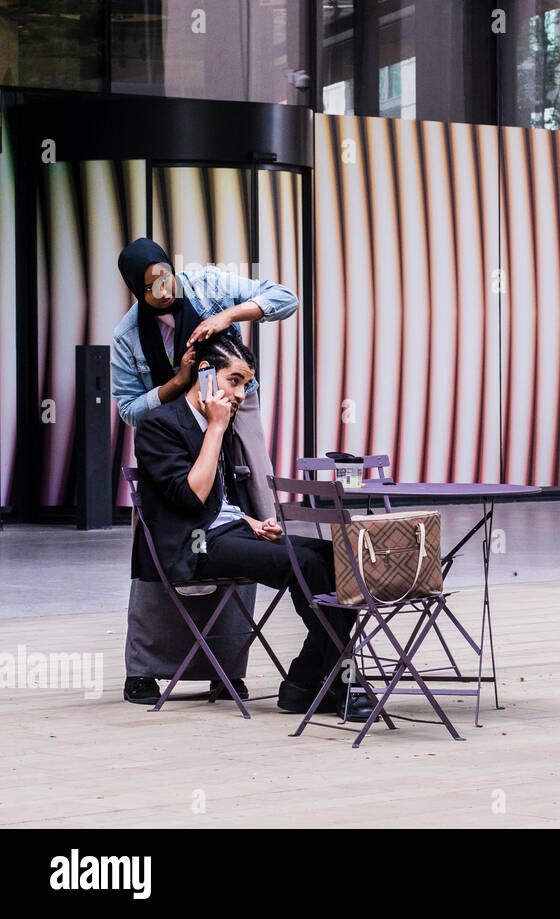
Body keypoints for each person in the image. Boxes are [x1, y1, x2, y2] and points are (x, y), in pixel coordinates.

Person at [129, 336, 372, 722]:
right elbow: (192, 499)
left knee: (335, 558)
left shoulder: (217, 421)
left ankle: (306, 682)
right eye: (234, 380)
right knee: (306, 565)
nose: (241, 393)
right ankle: (336, 682)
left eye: (246, 384)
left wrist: (251, 521)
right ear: (205, 373)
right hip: (192, 546)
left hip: (229, 533)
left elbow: (217, 502)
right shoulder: (160, 424)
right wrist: (215, 429)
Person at [112, 238, 299, 705]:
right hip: (173, 425)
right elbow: (130, 410)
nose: (162, 286)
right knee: (164, 536)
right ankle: (144, 669)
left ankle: (227, 666)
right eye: (149, 284)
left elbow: (285, 298)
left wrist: (229, 316)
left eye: (164, 273)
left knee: (252, 517)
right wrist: (177, 383)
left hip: (235, 407)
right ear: (135, 289)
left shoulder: (209, 283)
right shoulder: (127, 337)